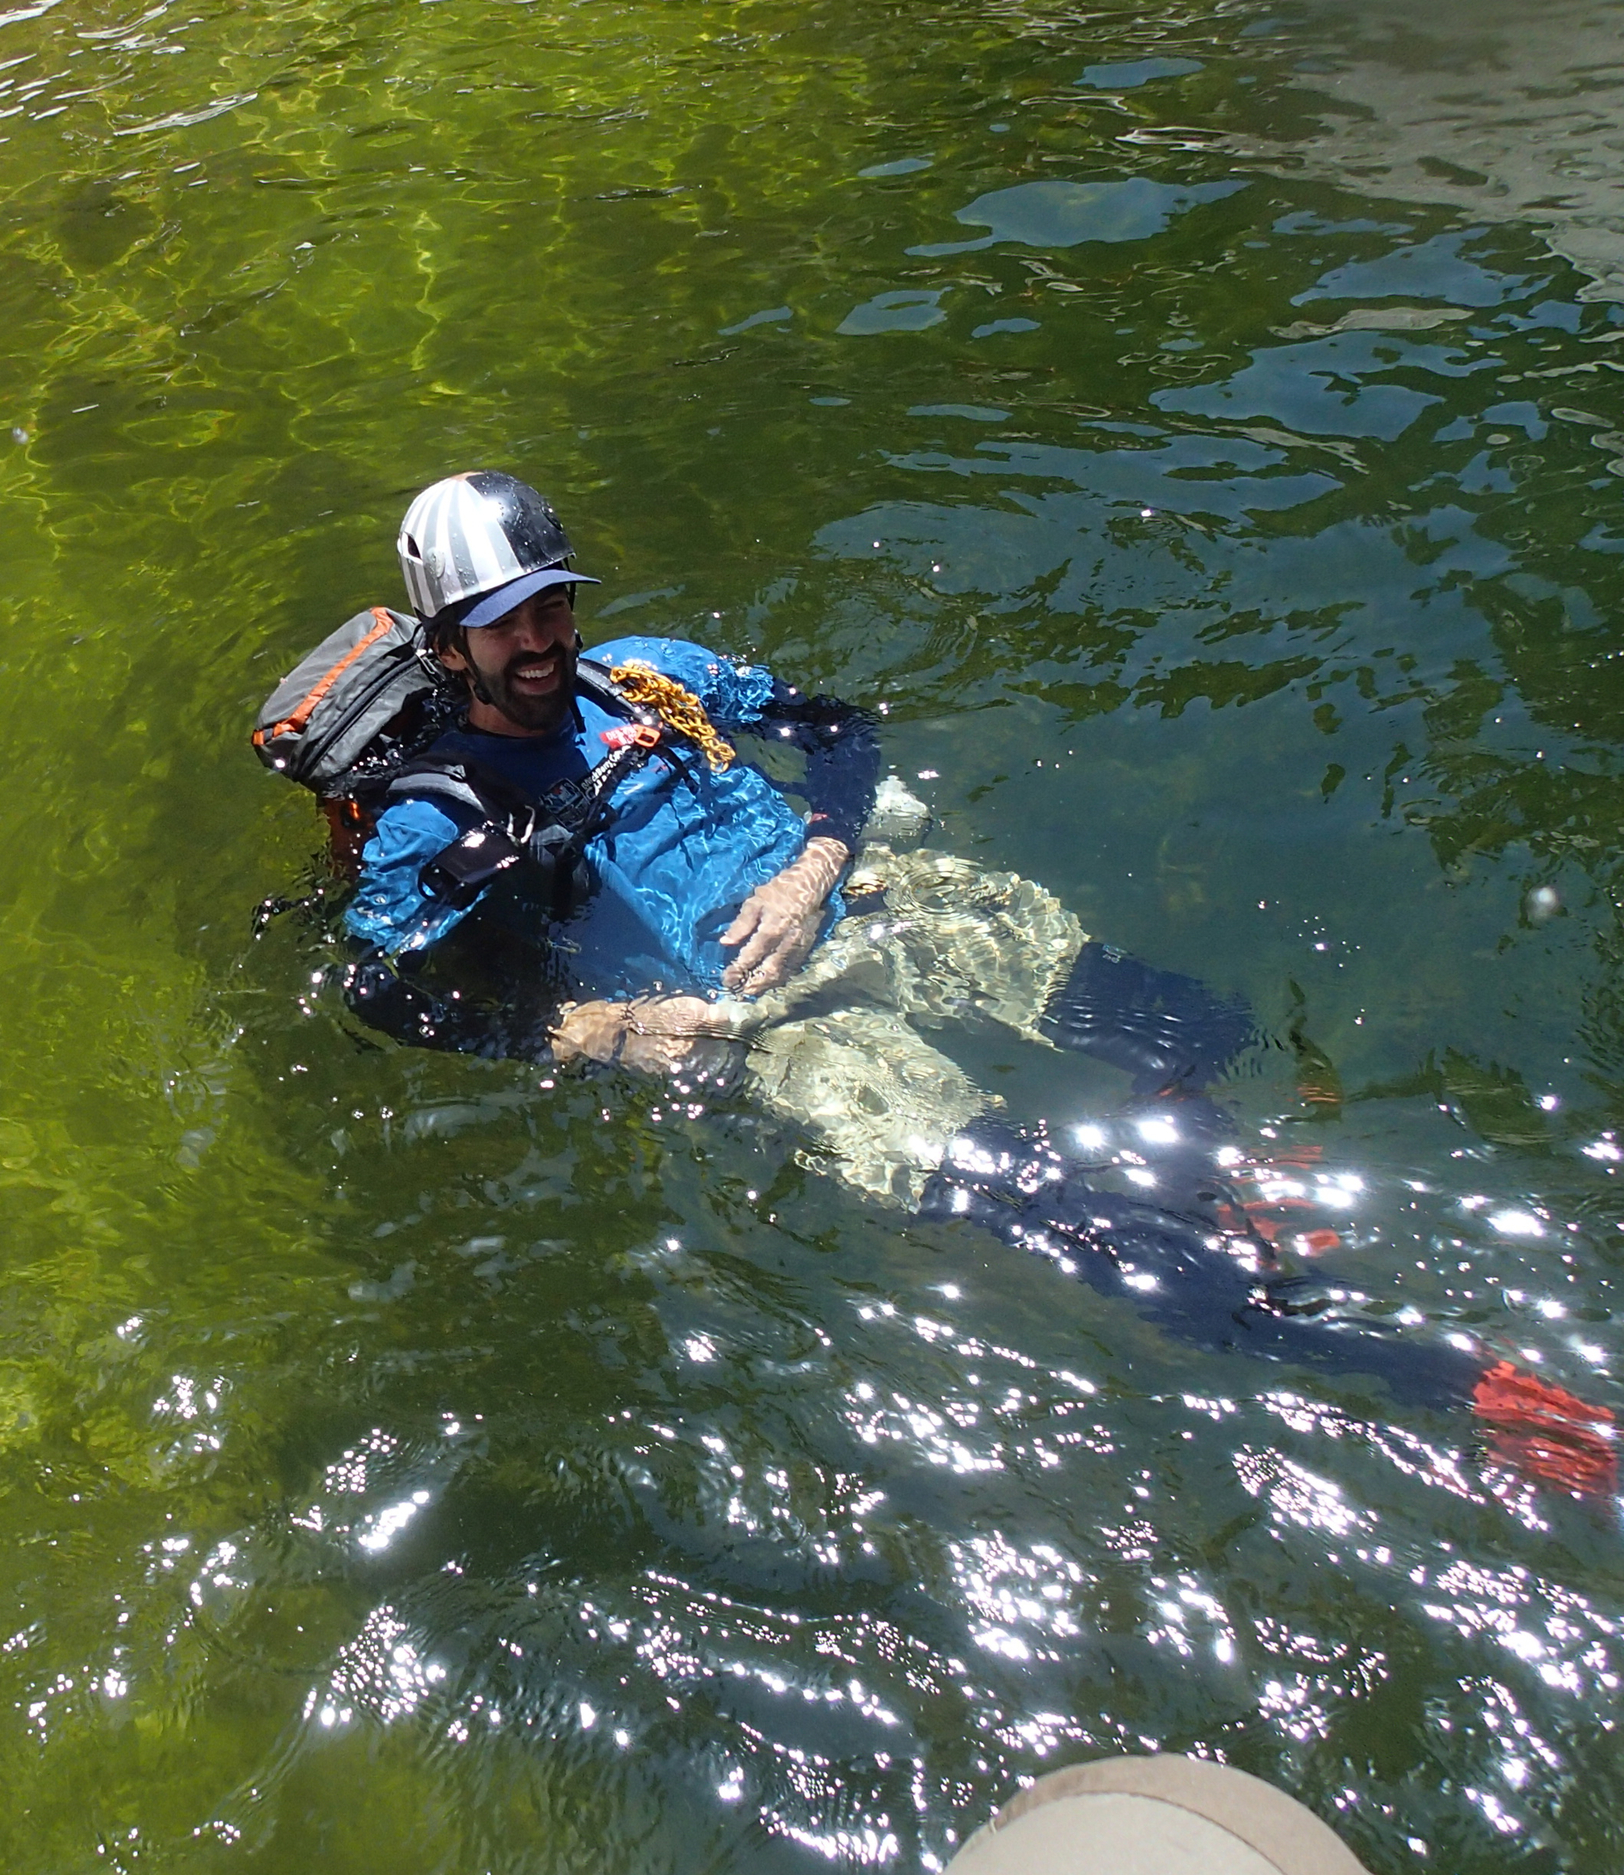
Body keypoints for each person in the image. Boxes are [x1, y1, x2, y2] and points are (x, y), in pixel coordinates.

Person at [313, 469, 1615, 1497]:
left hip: (867, 903)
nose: (542, 640)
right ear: (448, 640)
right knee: (1108, 1250)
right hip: (770, 1028)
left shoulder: (648, 673)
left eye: (552, 605)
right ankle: (1451, 1384)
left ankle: (1229, 1188)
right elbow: (379, 989)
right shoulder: (443, 815)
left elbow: (837, 728)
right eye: (505, 624)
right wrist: (593, 1029)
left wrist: (819, 861)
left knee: (1196, 1030)